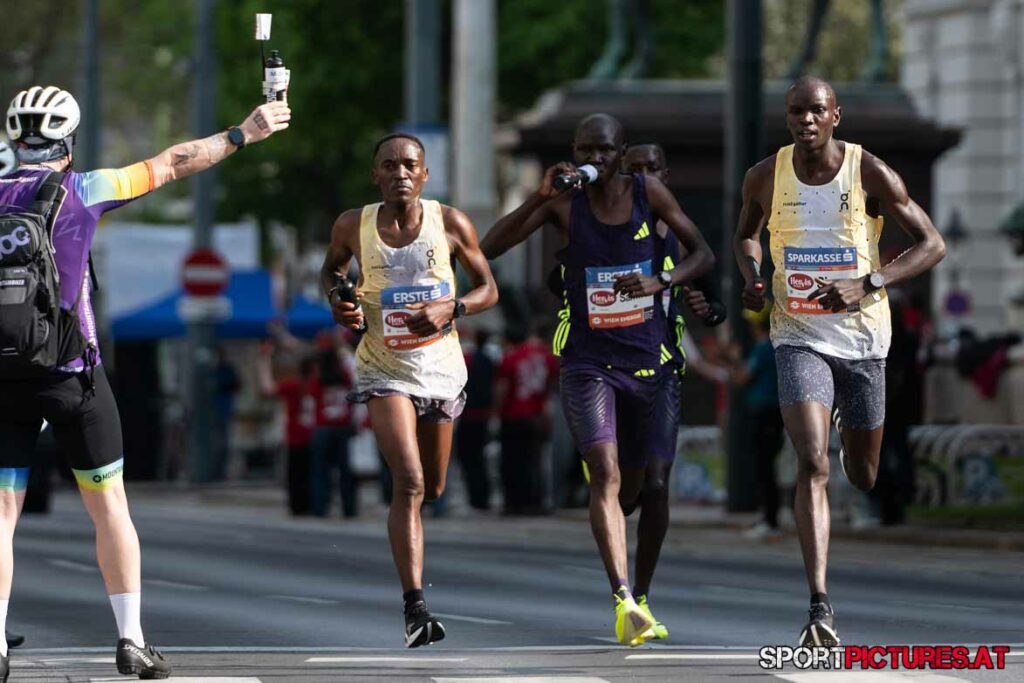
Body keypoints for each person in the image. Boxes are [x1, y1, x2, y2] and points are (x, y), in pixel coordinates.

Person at [0, 85, 290, 679]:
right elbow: (171, 162)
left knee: (3, 512)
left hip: (3, 378)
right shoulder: (83, 189)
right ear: (67, 141)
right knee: (110, 506)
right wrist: (242, 133)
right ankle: (131, 639)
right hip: (73, 374)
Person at [481, 114, 714, 647]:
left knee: (649, 488)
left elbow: (703, 253)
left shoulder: (648, 193)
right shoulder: (564, 204)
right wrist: (538, 198)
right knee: (605, 474)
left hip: (651, 364)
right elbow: (489, 247)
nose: (595, 158)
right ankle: (624, 599)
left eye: (605, 149)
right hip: (589, 363)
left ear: (621, 152)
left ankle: (645, 594)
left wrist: (661, 279)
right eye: (586, 149)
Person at [733, 76, 945, 647]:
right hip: (798, 333)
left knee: (863, 473)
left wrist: (870, 281)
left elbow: (932, 243)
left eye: (816, 110)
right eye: (796, 111)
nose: (806, 120)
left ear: (835, 116)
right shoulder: (764, 176)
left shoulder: (869, 171)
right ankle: (819, 605)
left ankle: (851, 438)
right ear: (787, 117)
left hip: (862, 341)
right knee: (812, 462)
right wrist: (754, 275)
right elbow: (746, 236)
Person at [321, 133, 498, 647]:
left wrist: (452, 308)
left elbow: (488, 289)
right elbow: (332, 270)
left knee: (434, 489)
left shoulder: (452, 223)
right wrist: (338, 299)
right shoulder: (352, 225)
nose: (400, 172)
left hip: (441, 370)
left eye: (409, 165)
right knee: (411, 482)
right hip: (384, 368)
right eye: (389, 164)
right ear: (375, 175)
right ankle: (415, 608)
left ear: (424, 175)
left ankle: (414, 575)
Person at [728, 307, 785, 541]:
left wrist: (733, 359)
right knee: (767, 466)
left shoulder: (763, 348)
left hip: (765, 412)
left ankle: (770, 520)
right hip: (774, 411)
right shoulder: (775, 346)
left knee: (764, 467)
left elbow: (742, 378)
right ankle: (769, 518)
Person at [495, 324, 558, 515]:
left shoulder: (510, 358)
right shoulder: (543, 355)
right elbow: (553, 381)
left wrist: (496, 411)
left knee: (512, 462)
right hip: (537, 415)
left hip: (513, 415)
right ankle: (536, 501)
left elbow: (502, 389)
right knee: (535, 461)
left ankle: (514, 503)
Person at [257, 342, 317, 516]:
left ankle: (298, 506)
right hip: (315, 435)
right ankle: (314, 503)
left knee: (295, 473)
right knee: (314, 473)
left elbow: (268, 389)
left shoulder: (293, 385)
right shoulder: (317, 384)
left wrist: (263, 362)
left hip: (295, 436)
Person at [309, 333, 359, 518]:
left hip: (323, 427)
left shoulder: (318, 380)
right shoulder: (345, 377)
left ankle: (320, 507)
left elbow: (312, 399)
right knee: (346, 471)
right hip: (343, 426)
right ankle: (349, 508)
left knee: (320, 471)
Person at [456, 329, 497, 511]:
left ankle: (476, 498)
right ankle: (482, 498)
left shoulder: (469, 359)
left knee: (470, 459)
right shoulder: (489, 361)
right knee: (479, 459)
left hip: (469, 414)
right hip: (483, 415)